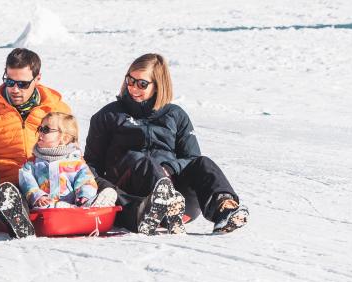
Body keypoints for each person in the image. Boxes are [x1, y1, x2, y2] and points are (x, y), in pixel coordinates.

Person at [84, 53, 249, 235]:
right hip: (132, 196)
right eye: (130, 80)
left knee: (203, 163)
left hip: (179, 199)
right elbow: (91, 164)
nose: (133, 88)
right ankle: (160, 206)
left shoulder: (175, 115)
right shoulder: (109, 116)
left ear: (158, 85)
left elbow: (191, 157)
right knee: (139, 159)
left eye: (142, 84)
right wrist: (103, 192)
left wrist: (169, 168)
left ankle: (224, 210)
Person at [0, 48, 73, 238]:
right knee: (7, 194)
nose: (14, 89)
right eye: (9, 81)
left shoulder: (57, 109)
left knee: (89, 182)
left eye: (22, 84)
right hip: (11, 184)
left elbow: (72, 149)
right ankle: (18, 219)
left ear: (37, 79)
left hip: (52, 182)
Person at [19, 112, 117, 209]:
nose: (40, 132)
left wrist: (84, 196)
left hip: (72, 207)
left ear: (64, 138)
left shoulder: (75, 162)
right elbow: (27, 181)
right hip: (44, 208)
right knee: (41, 207)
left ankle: (94, 204)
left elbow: (86, 181)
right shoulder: (33, 163)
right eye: (39, 129)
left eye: (45, 129)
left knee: (84, 200)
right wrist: (38, 196)